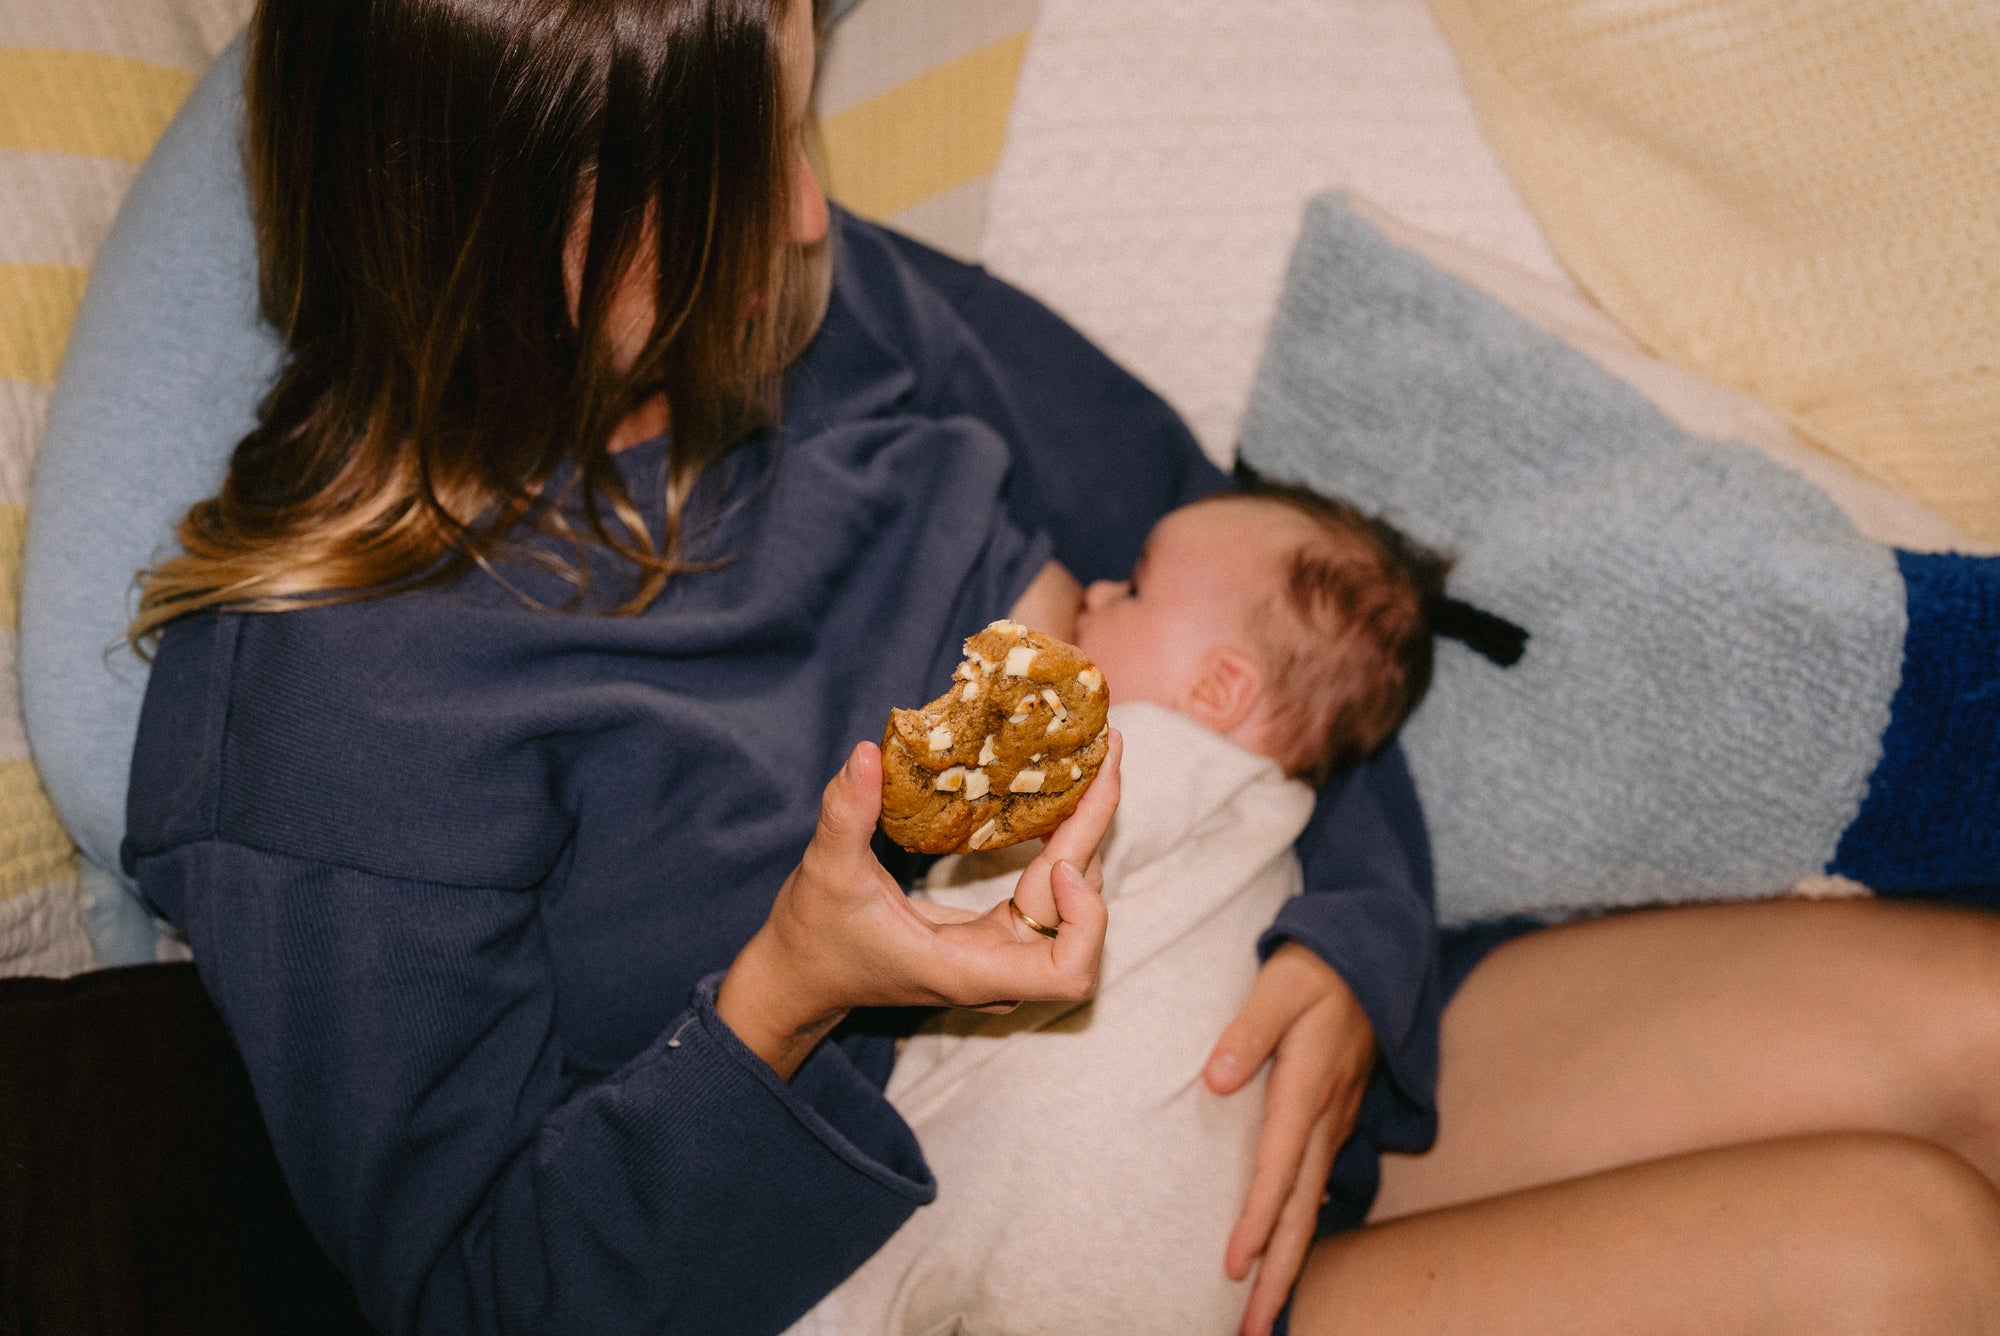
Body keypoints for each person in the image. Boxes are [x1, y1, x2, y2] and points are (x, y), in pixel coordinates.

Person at [28, 1, 2000, 1333]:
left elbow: (1264, 586)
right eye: (731, 177)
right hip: (1007, 1240)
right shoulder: (331, 713)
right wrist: (786, 988)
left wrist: (1356, 943)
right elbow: (479, 1288)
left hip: (1273, 999)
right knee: (1903, 1254)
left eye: (793, 116)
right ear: (499, 230)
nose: (808, 213)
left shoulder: (846, 309)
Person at [795, 485, 1448, 1334]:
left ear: (1218, 690)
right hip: (1175, 1275)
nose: (1094, 595)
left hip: (1040, 1205)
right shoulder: (1274, 859)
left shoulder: (1138, 759)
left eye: (1134, 589)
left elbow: (961, 910)